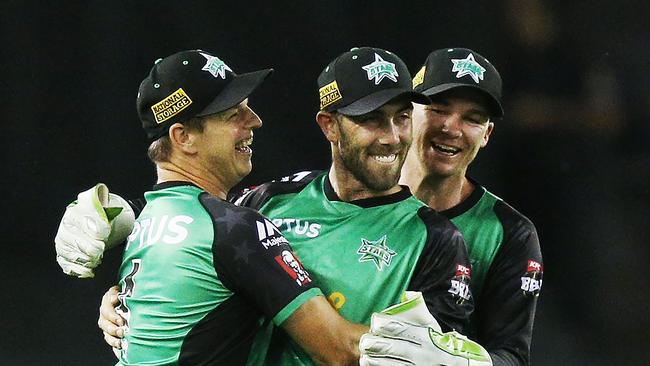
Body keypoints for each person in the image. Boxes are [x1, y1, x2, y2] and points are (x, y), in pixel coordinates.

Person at [56, 47, 490, 366]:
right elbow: (339, 347)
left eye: (401, 117)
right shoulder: (258, 210)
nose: (393, 136)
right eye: (370, 118)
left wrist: (125, 236)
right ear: (329, 126)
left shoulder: (438, 239)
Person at [401, 47, 544, 365]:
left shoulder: (509, 234)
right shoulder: (356, 198)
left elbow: (512, 355)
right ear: (408, 112)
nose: (451, 128)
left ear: (486, 135)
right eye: (438, 109)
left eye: (472, 119)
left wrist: (457, 363)